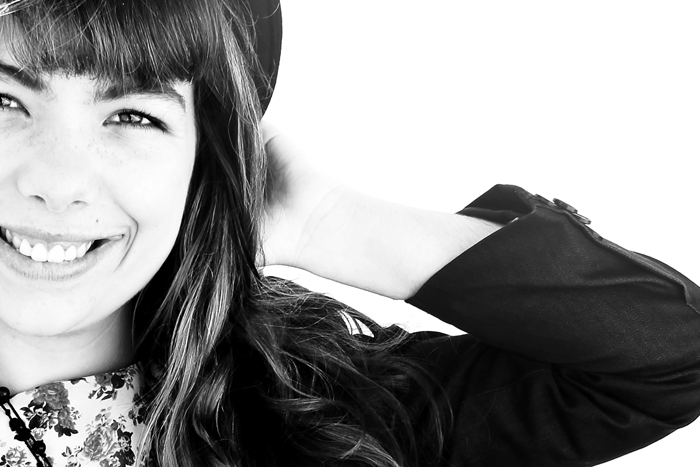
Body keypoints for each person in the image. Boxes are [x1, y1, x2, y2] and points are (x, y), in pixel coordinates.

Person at [0, 1, 698, 467]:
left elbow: (670, 357)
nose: (57, 182)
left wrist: (324, 218)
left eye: (133, 117)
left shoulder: (329, 418)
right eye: (3, 98)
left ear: (202, 167)